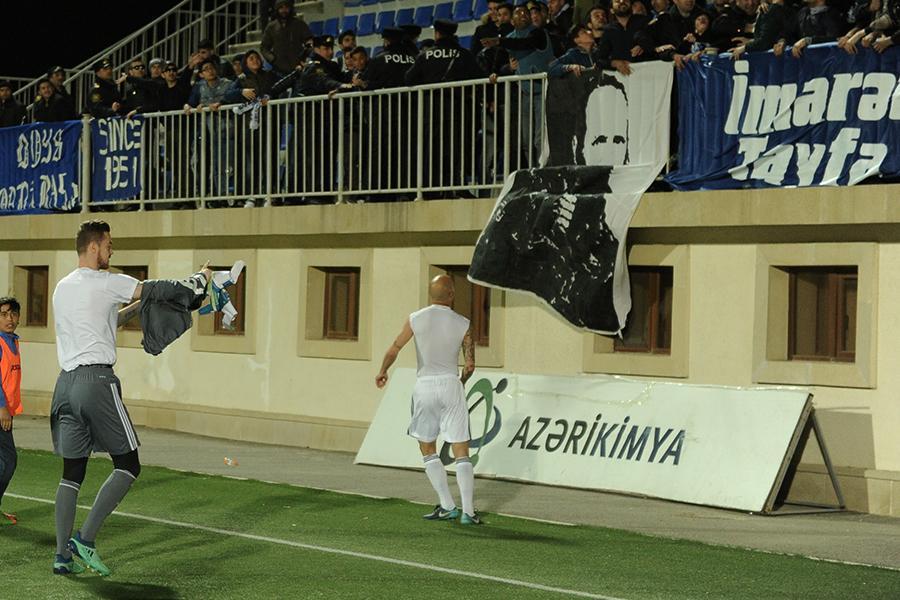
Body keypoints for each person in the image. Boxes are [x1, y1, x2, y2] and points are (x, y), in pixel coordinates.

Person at [50, 220, 210, 576]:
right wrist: (199, 281)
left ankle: (61, 556)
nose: (112, 250)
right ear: (94, 247)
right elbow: (158, 288)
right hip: (96, 382)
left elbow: (106, 320)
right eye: (109, 244)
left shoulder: (63, 287)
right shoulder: (105, 281)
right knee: (128, 464)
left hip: (65, 386)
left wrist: (137, 308)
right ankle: (85, 539)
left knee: (72, 473)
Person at [375, 274, 479, 525]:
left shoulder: (415, 318)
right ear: (451, 294)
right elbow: (469, 365)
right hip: (451, 384)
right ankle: (468, 512)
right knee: (461, 449)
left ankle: (447, 505)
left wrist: (382, 370)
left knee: (427, 447)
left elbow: (394, 348)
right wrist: (461, 383)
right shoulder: (463, 323)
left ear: (431, 294)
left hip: (425, 386)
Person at [0, 296, 22, 526]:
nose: (10, 318)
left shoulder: (12, 341)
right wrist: (2, 407)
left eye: (13, 314)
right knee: (8, 462)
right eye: (4, 314)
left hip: (6, 412)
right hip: (1, 413)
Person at [261, 0, 313, 76]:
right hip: (279, 69)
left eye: (286, 7)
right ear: (277, 9)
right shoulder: (271, 27)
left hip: (298, 67)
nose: (284, 10)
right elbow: (264, 47)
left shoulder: (299, 24)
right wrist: (272, 59)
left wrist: (304, 58)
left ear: (290, 8)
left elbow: (309, 42)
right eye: (281, 8)